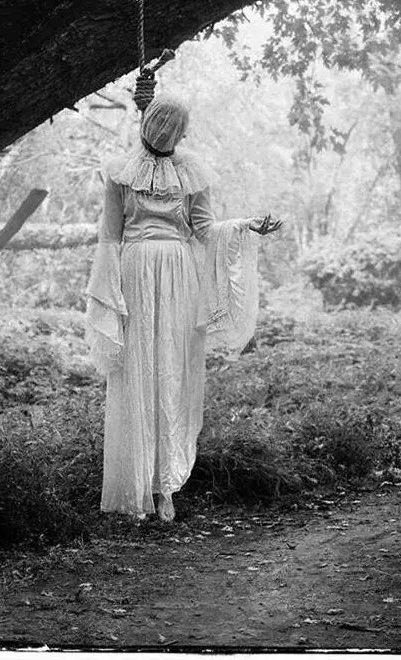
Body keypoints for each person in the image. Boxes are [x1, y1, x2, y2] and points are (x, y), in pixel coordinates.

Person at [86, 98, 282, 523]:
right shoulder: (119, 172)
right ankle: (135, 486)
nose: (183, 136)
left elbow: (205, 230)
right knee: (138, 371)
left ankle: (165, 487)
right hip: (135, 274)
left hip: (178, 275)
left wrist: (245, 226)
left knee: (173, 371)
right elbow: (109, 236)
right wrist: (109, 294)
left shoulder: (192, 171)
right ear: (158, 128)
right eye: (177, 128)